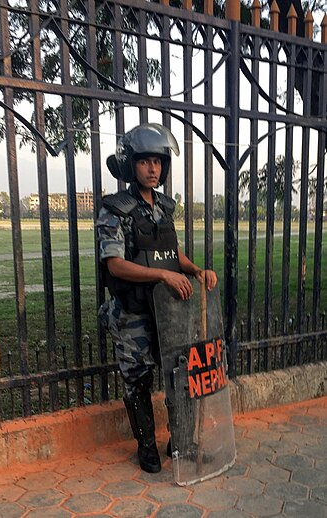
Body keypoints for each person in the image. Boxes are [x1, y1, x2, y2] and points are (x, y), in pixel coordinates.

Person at [97, 123, 217, 473]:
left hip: (168, 311)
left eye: (158, 162)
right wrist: (163, 275)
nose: (153, 169)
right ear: (130, 164)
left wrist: (195, 271)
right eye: (145, 162)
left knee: (181, 373)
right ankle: (146, 446)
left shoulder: (165, 207)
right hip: (133, 311)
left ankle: (181, 443)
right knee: (138, 380)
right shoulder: (114, 210)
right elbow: (116, 265)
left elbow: (171, 253)